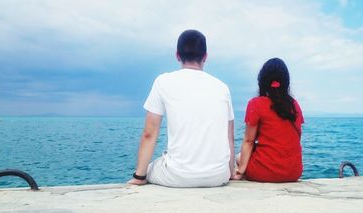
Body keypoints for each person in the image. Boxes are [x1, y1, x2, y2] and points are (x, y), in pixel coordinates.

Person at [128, 30, 235, 187]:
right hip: (219, 176)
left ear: (177, 55)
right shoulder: (222, 88)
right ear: (205, 56)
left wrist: (140, 175)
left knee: (150, 169)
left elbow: (149, 134)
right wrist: (229, 173)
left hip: (178, 176)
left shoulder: (163, 81)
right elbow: (229, 137)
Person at [232, 58, 303, 182]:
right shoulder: (294, 105)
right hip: (293, 172)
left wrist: (240, 171)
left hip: (264, 172)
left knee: (238, 158)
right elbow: (297, 138)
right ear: (286, 82)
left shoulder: (256, 104)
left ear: (262, 81)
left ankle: (242, 175)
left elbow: (248, 141)